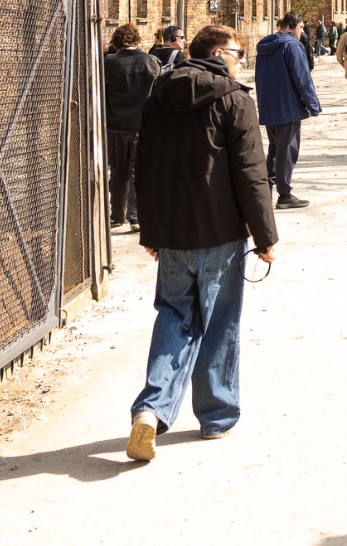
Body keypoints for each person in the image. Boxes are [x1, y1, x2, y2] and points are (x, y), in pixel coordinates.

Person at [125, 24, 277, 461]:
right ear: (216, 53)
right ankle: (216, 415)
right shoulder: (235, 99)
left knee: (174, 317)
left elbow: (143, 166)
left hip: (173, 234)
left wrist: (151, 229)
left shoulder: (158, 97)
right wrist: (265, 236)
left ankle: (151, 410)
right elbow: (251, 173)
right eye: (237, 52)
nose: (241, 60)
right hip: (220, 233)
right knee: (219, 322)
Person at [254, 12, 322, 210]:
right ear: (292, 26)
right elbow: (302, 77)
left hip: (269, 105)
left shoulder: (265, 45)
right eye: (300, 27)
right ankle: (284, 194)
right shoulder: (291, 45)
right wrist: (313, 105)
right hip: (288, 105)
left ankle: (266, 191)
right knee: (288, 150)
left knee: (275, 149)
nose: (302, 32)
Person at [103, 23, 161, 229]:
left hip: (115, 125)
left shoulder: (108, 63)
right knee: (137, 171)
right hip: (142, 126)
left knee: (117, 171)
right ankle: (135, 216)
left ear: (117, 41)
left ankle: (117, 215)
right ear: (137, 40)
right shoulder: (152, 62)